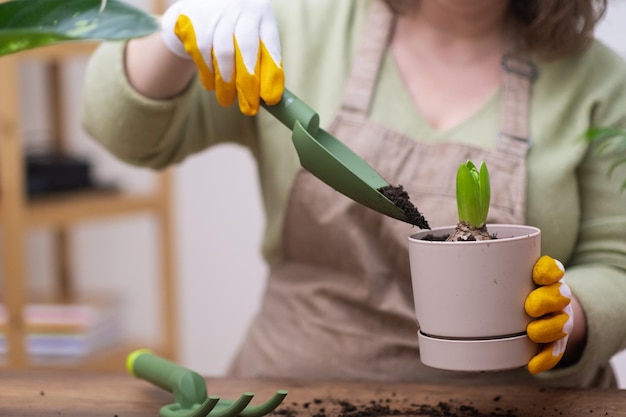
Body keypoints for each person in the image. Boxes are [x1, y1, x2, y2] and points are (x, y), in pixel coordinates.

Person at [81, 0, 626, 387]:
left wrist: (571, 319)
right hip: (292, 388)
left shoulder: (597, 80)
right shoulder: (290, 28)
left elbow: (616, 263)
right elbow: (124, 132)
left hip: (519, 401)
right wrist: (173, 38)